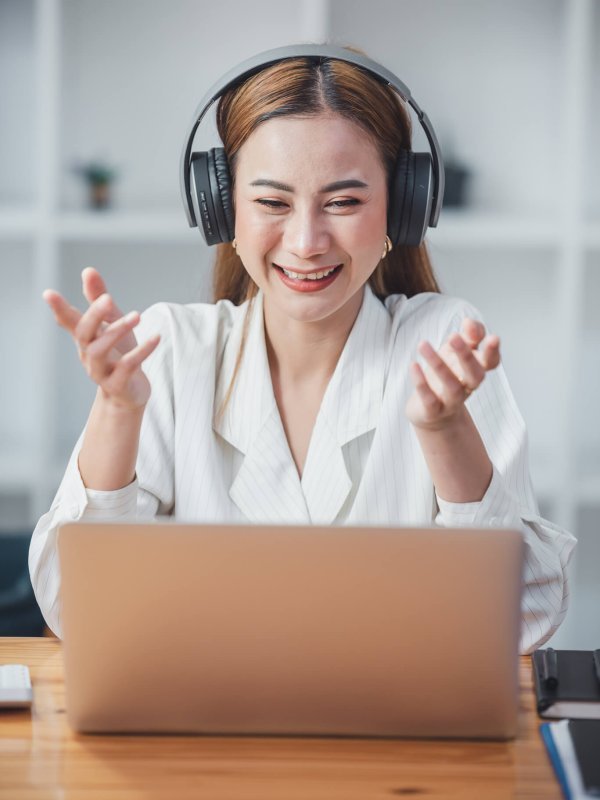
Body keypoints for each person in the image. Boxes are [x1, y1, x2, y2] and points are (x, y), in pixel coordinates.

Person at [29, 45, 575, 651]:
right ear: (221, 211)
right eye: (271, 202)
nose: (307, 241)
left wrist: (445, 430)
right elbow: (74, 611)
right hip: (205, 734)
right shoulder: (170, 350)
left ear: (404, 206)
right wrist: (118, 412)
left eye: (344, 202)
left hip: (397, 738)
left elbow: (523, 617)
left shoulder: (441, 342)